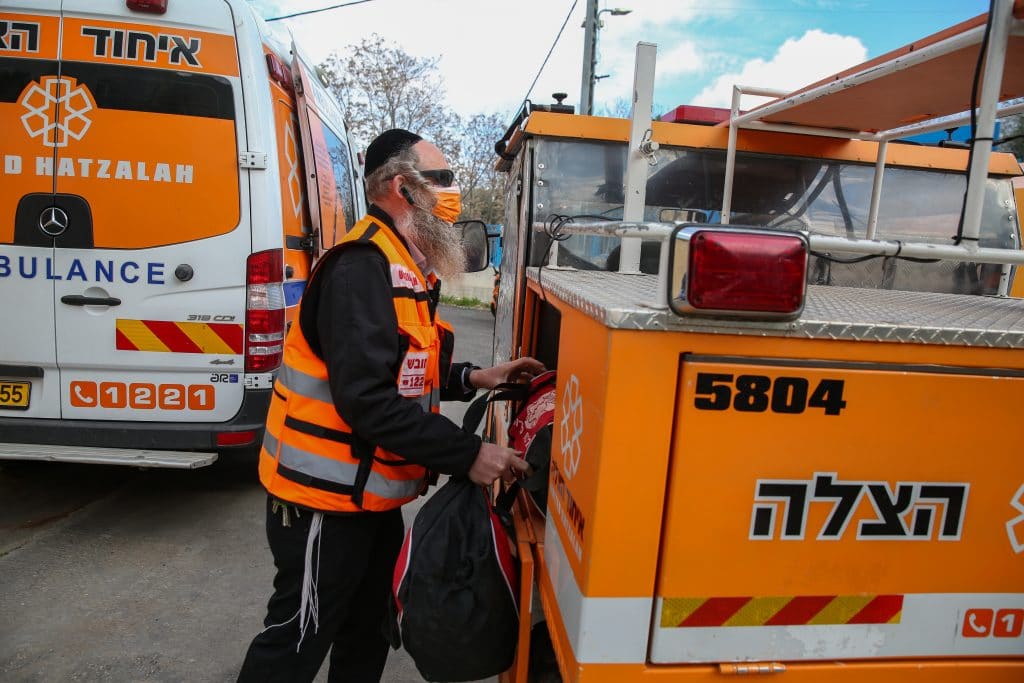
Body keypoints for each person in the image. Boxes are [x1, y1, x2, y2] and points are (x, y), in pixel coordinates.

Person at [238, 129, 544, 682]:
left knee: (367, 636)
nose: (453, 193)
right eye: (444, 179)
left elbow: (401, 373)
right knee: (296, 641)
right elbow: (369, 402)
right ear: (403, 187)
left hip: (370, 506)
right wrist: (467, 453)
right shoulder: (361, 267)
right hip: (321, 504)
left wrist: (475, 376)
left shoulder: (402, 266)